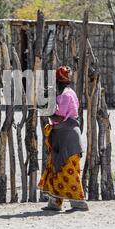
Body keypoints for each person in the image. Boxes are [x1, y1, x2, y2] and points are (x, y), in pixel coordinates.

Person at [38, 66, 89, 212]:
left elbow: (59, 117)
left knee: (68, 169)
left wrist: (44, 109)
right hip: (62, 134)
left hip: (68, 136)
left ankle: (79, 203)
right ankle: (55, 202)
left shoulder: (66, 95)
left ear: (58, 80)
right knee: (56, 167)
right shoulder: (65, 93)